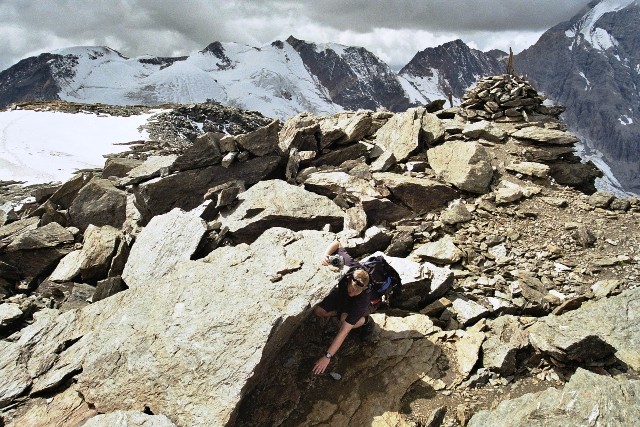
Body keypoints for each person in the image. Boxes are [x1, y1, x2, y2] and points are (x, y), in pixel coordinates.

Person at [312, 240, 372, 375]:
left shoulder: (363, 298)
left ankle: (366, 321)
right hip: (342, 298)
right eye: (352, 289)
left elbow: (344, 332)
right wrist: (326, 255)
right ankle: (339, 312)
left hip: (358, 307)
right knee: (318, 311)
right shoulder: (349, 267)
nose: (353, 293)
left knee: (345, 321)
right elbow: (337, 244)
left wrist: (327, 357)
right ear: (350, 279)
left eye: (357, 292)